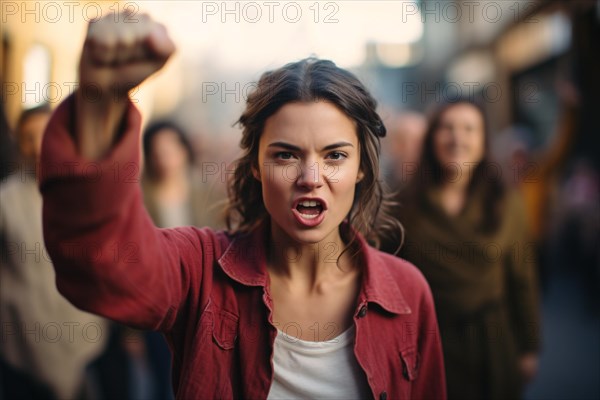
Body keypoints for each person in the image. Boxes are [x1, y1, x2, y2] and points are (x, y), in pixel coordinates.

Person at [39, 13, 446, 399]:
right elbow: (100, 267)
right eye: (285, 155)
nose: (310, 176)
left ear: (361, 168)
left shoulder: (408, 293)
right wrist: (98, 105)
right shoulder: (200, 271)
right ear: (255, 165)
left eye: (335, 156)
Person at [383, 100, 540, 400]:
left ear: (484, 141)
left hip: (494, 344)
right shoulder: (403, 206)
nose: (458, 138)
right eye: (447, 128)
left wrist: (529, 347)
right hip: (428, 343)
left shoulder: (507, 203)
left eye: (469, 129)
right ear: (431, 139)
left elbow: (523, 277)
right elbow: (388, 281)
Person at [0, 106, 108, 399]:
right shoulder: (6, 202)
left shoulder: (88, 194)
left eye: (45, 135)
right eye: (27, 138)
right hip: (23, 344)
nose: (37, 146)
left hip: (85, 338)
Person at [142, 120, 224, 229]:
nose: (164, 161)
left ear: (184, 151)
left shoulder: (207, 194)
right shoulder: (143, 199)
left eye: (169, 153)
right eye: (157, 154)